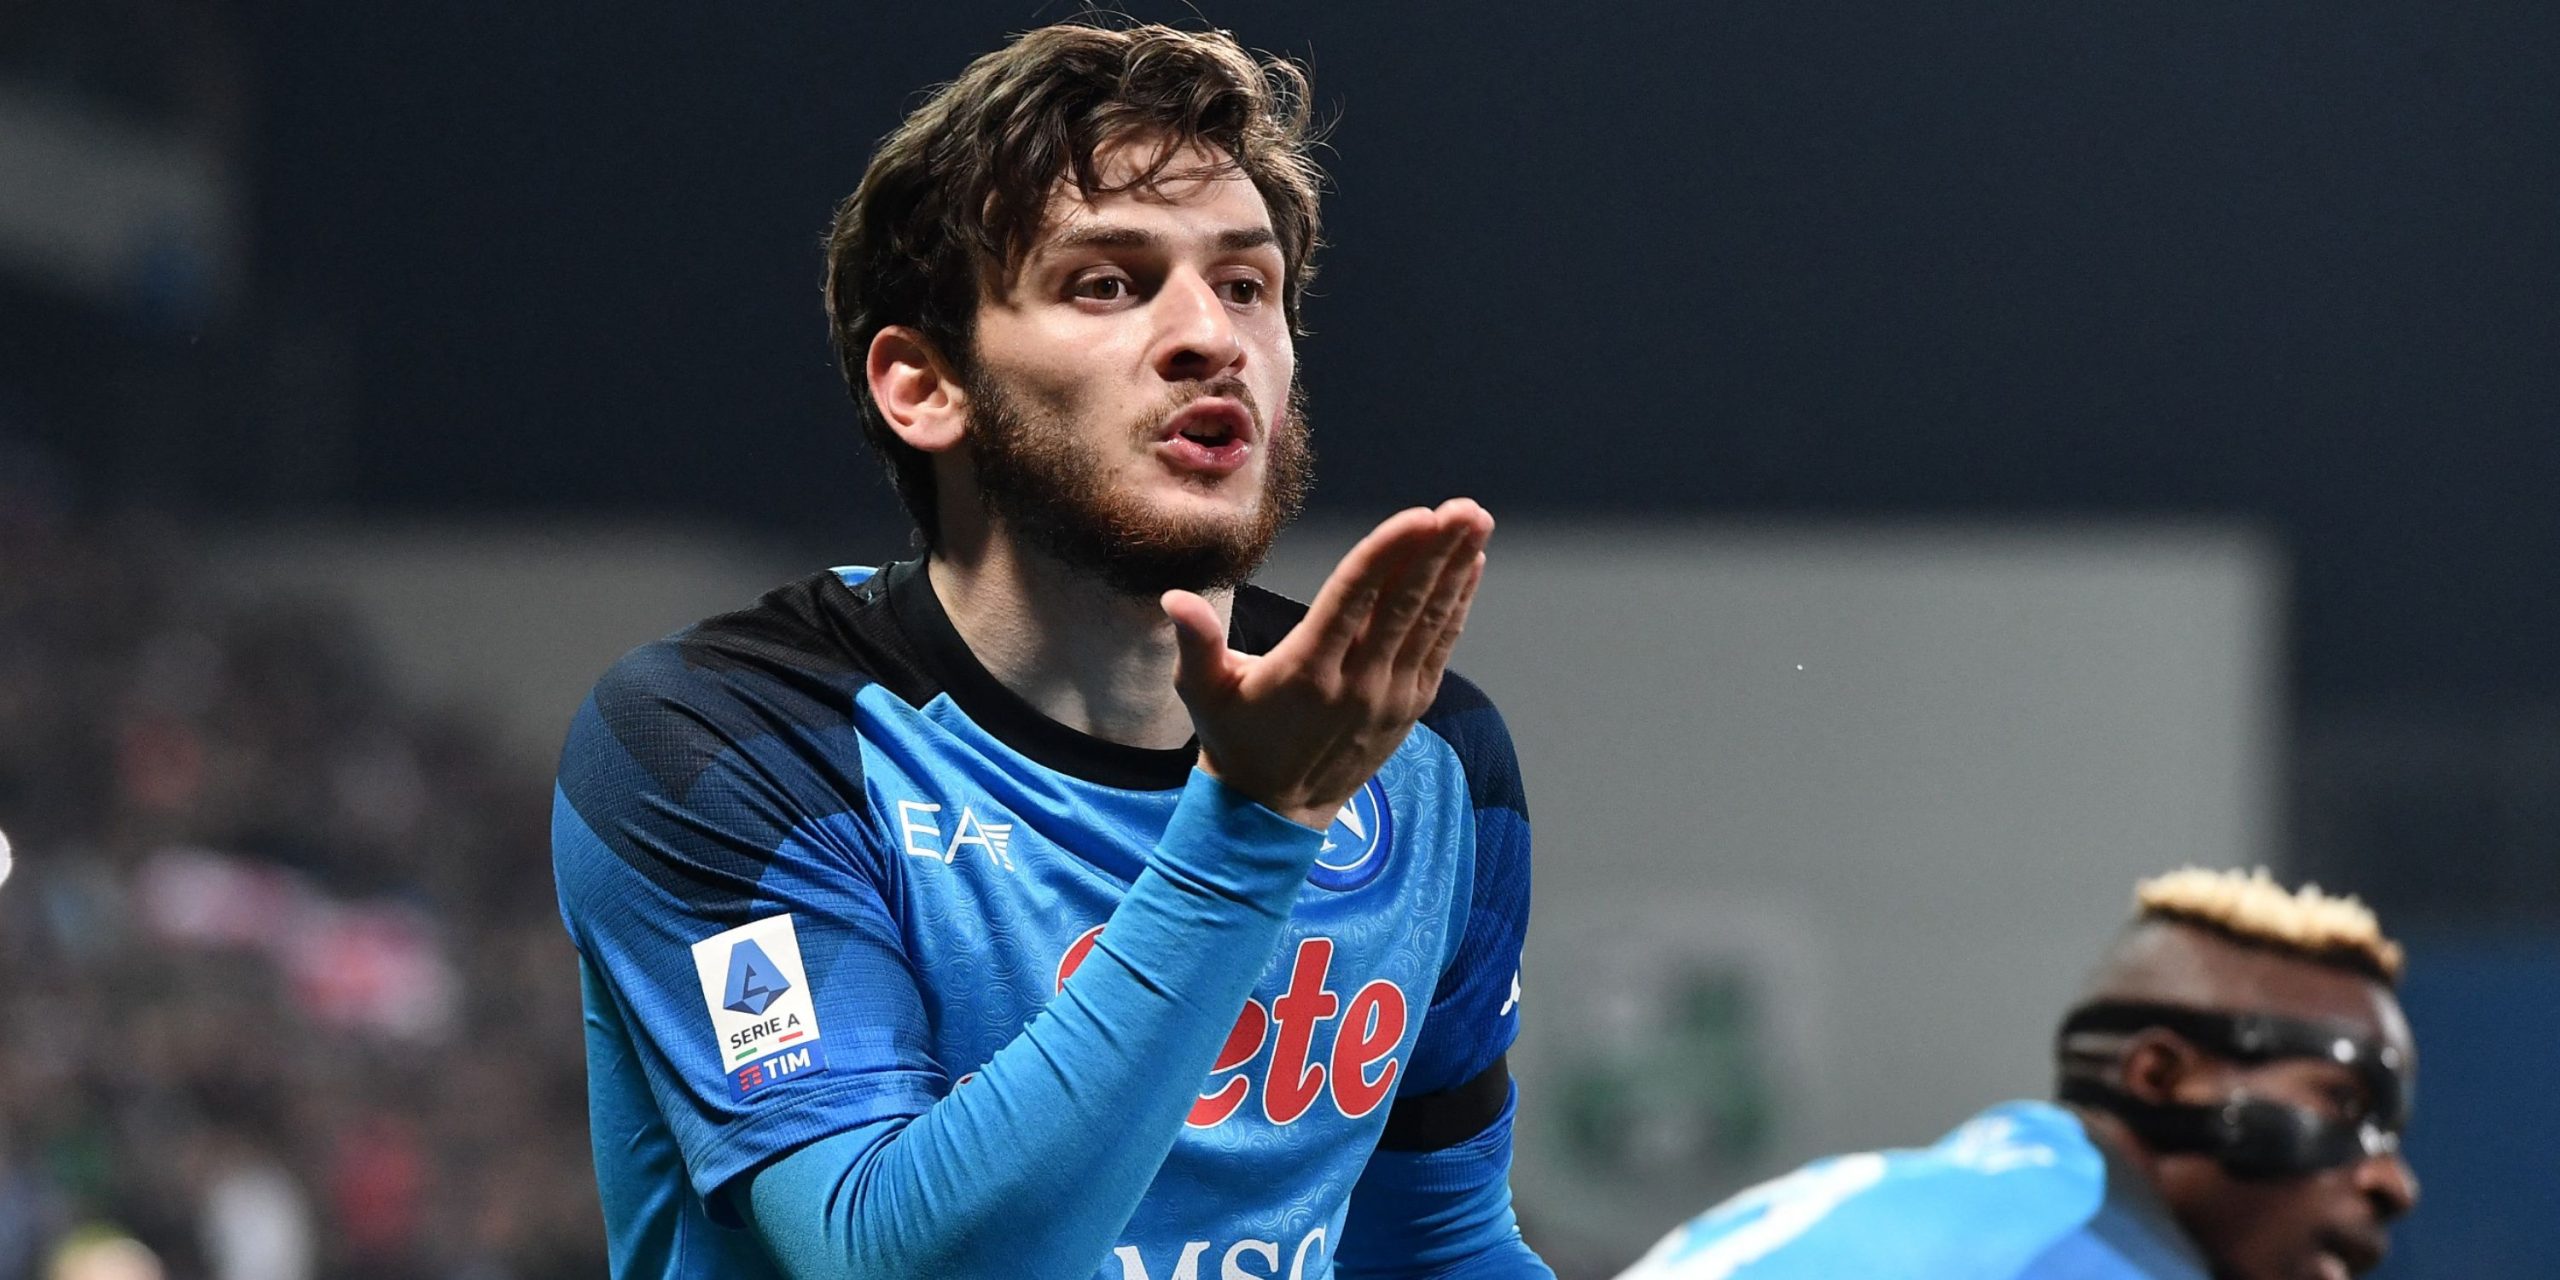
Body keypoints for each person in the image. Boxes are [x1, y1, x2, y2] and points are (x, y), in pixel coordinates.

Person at [550, 20, 1551, 1280]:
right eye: (1108, 283)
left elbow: (1439, 1249)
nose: (1211, 336)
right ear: (924, 385)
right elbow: (894, 1263)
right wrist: (1252, 825)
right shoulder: (725, 741)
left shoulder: (1425, 755)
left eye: (1246, 285)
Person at [1616, 867, 2420, 1280]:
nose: (2393, 1183)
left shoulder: (1929, 1206)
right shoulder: (2076, 1253)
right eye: (2345, 1103)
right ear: (2159, 1077)